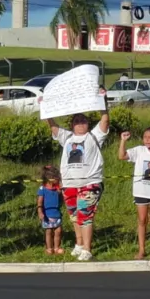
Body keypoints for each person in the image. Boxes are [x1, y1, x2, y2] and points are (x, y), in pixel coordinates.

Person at [44, 102, 110, 262]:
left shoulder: (94, 136)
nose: (80, 123)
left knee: (85, 214)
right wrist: (46, 108)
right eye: (77, 121)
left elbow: (105, 120)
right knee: (74, 216)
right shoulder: (67, 137)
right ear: (72, 124)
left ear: (88, 124)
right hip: (69, 183)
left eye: (84, 121)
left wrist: (102, 101)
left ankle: (87, 248)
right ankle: (79, 243)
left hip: (90, 182)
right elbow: (53, 126)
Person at [118, 127, 150, 260]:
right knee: (142, 220)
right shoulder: (139, 150)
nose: (146, 139)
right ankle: (141, 249)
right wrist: (123, 141)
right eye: (144, 137)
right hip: (141, 190)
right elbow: (121, 156)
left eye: (149, 137)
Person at [37, 166, 64, 255]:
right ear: (50, 178)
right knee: (48, 231)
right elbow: (39, 203)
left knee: (58, 231)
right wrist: (40, 212)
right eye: (57, 178)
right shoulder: (42, 189)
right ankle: (49, 248)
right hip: (47, 215)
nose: (58, 179)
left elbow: (61, 196)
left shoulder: (57, 189)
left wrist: (60, 189)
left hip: (57, 213)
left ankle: (56, 247)